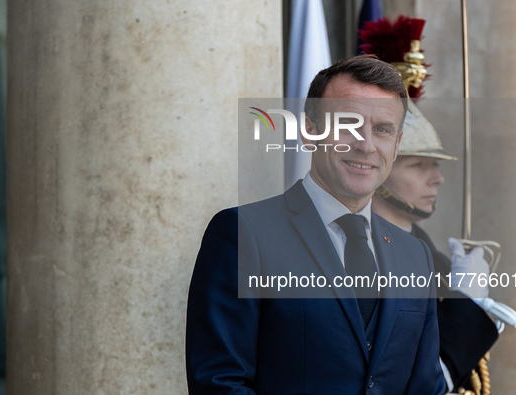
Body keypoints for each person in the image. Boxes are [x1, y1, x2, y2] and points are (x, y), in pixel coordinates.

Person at [186, 55, 445, 394]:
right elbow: (218, 384)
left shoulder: (415, 255)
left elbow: (426, 388)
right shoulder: (242, 233)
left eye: (382, 130)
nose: (365, 145)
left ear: (395, 147)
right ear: (310, 131)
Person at [360, 15, 500, 394]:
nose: (435, 179)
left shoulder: (431, 257)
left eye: (435, 166)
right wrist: (469, 305)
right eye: (419, 165)